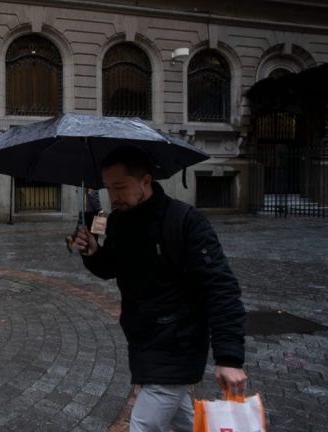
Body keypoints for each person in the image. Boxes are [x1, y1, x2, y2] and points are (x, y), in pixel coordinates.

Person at [73, 146, 247, 432]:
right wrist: (92, 253)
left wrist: (229, 358)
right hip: (142, 336)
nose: (113, 197)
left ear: (145, 181)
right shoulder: (118, 221)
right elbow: (111, 269)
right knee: (185, 419)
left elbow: (221, 287)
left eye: (120, 187)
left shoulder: (185, 221)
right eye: (108, 188)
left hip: (178, 341)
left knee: (143, 424)